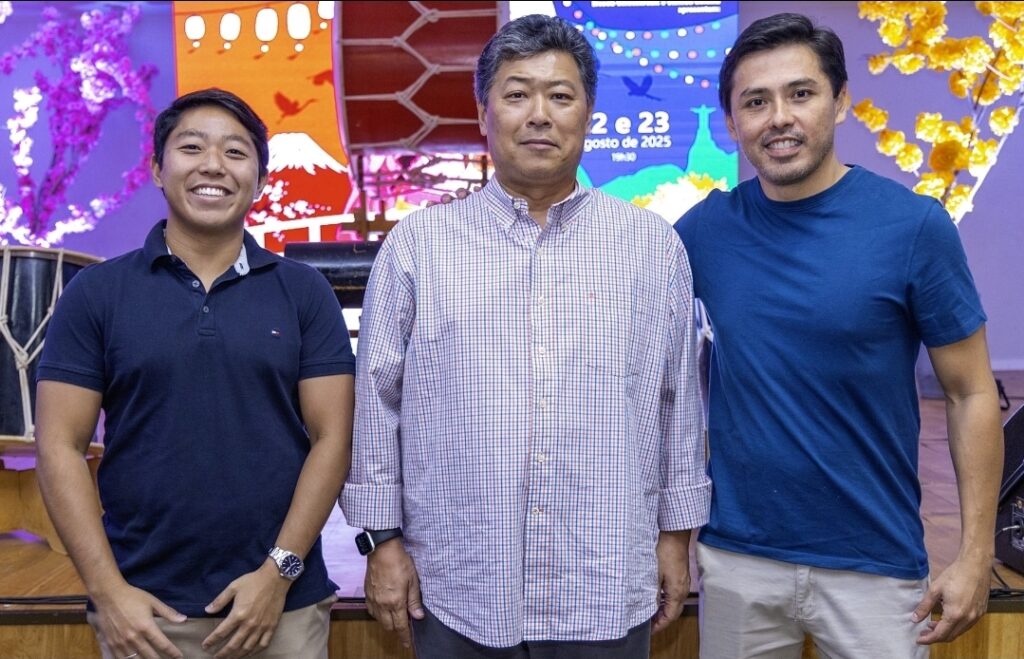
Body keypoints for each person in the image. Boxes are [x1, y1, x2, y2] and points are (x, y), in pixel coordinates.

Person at [340, 13, 711, 659]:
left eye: (560, 95)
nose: (539, 115)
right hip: (458, 583)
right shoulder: (419, 247)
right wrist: (382, 542)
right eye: (517, 94)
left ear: (588, 113)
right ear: (483, 113)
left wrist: (676, 537)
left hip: (604, 579)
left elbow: (678, 404)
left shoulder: (651, 247)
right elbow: (376, 403)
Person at [674, 13, 1003, 659]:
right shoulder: (705, 231)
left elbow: (970, 392)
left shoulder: (913, 226)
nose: (779, 118)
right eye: (755, 102)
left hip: (875, 563)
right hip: (739, 560)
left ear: (841, 100)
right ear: (732, 122)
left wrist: (974, 552)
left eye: (801, 93)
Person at [35, 88, 355, 659]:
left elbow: (333, 438)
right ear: (158, 169)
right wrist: (107, 592)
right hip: (144, 611)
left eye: (235, 152)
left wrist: (278, 574)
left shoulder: (304, 291)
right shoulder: (97, 293)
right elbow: (60, 444)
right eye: (191, 147)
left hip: (281, 607)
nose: (213, 165)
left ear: (260, 180)